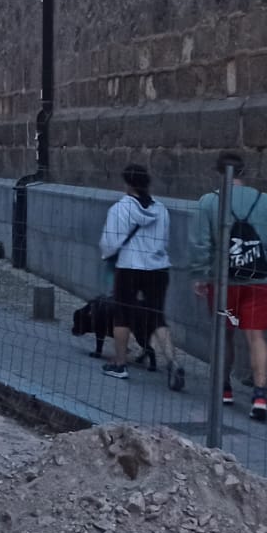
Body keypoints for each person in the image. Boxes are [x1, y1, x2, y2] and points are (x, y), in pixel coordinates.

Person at [190, 153, 267, 422]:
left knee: (224, 334)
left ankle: (224, 389)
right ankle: (260, 395)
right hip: (260, 278)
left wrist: (200, 275)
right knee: (256, 336)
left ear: (219, 173)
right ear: (246, 171)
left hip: (224, 280)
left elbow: (200, 243)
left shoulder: (209, 202)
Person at [100, 164, 183, 389]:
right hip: (158, 268)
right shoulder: (161, 210)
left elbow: (110, 242)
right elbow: (164, 241)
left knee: (123, 314)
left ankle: (120, 363)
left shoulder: (120, 209)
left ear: (127, 184)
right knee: (157, 316)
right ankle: (173, 362)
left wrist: (107, 255)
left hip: (129, 266)